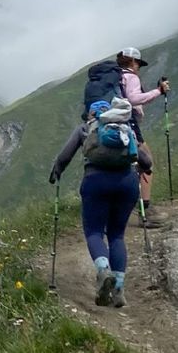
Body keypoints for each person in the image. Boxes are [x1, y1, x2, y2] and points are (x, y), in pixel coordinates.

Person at [49, 96, 154, 308]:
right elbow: (146, 161)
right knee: (116, 235)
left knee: (94, 232)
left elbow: (63, 158)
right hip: (126, 184)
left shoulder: (85, 129)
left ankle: (103, 269)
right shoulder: (125, 129)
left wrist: (56, 172)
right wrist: (143, 169)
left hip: (95, 182)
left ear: (91, 114)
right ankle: (119, 289)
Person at [115, 47, 169, 209]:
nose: (138, 67)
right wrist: (159, 91)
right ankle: (145, 207)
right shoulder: (130, 76)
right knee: (146, 161)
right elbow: (134, 99)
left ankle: (118, 204)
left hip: (110, 122)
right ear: (132, 61)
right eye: (138, 63)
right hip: (128, 121)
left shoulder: (113, 77)